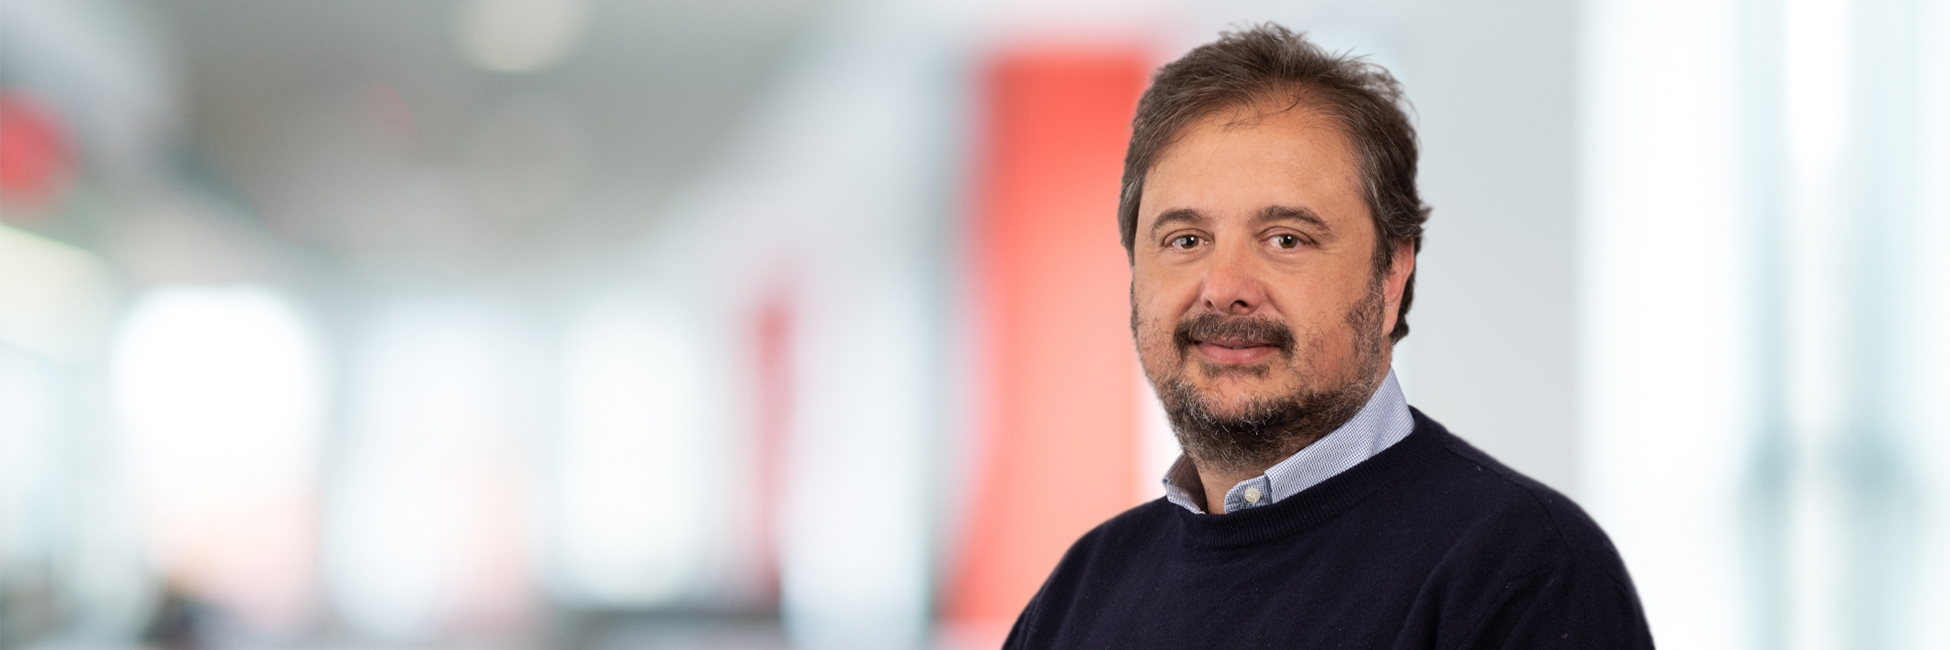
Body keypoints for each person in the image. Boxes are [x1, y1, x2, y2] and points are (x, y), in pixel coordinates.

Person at [1002, 24, 1654, 649]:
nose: (1224, 286)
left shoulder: (1524, 573)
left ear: (1391, 274)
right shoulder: (1081, 590)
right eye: (1186, 239)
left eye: (1286, 239)